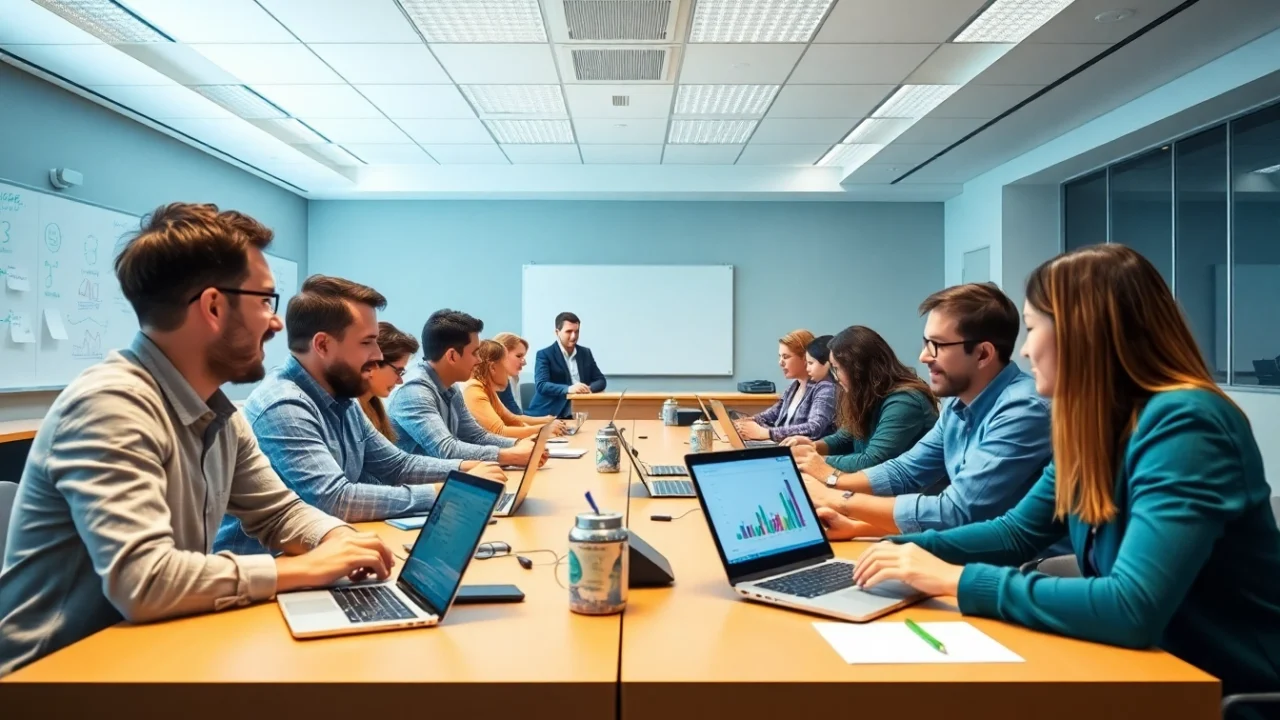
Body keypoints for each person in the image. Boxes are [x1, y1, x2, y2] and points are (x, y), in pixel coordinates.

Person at [845, 245, 1280, 700]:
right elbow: (1016, 534)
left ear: (1084, 335)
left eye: (1033, 329)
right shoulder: (1093, 424)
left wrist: (952, 579)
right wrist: (898, 550)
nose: (1028, 352)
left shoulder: (1187, 424)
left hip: (1226, 691)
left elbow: (1132, 607)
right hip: (1151, 668)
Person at [0, 203, 394, 677]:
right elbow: (145, 582)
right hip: (52, 680)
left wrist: (342, 540)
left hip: (147, 653)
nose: (275, 323)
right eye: (265, 302)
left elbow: (279, 512)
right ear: (212, 307)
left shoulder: (218, 411)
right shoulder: (111, 404)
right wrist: (305, 569)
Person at [215, 279, 504, 554]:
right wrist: (446, 492)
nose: (378, 354)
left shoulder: (340, 396)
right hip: (267, 571)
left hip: (323, 553)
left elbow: (397, 465)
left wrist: (468, 470)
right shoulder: (284, 404)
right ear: (323, 345)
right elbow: (335, 499)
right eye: (367, 342)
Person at [804, 283, 1053, 539]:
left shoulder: (1023, 408)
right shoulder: (958, 404)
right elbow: (906, 471)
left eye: (937, 345)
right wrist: (851, 515)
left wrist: (836, 497)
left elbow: (955, 511)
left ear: (982, 354)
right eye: (926, 343)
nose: (924, 356)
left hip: (1034, 568)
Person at [782, 326, 939, 481]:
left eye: (837, 369)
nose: (835, 377)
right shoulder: (870, 395)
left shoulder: (905, 401)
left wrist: (814, 461)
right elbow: (844, 439)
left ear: (858, 370)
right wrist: (811, 447)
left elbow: (872, 461)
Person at [388, 309, 541, 467]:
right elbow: (446, 450)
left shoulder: (450, 386)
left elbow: (477, 437)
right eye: (475, 353)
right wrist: (510, 456)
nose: (479, 360)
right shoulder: (414, 392)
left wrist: (517, 445)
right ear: (452, 356)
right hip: (416, 487)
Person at [735, 330, 837, 442]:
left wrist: (766, 433)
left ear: (804, 358)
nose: (780, 362)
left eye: (786, 357)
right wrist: (745, 423)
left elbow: (813, 428)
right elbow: (769, 416)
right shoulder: (793, 388)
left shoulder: (825, 388)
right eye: (780, 356)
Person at [463, 340, 564, 439]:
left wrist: (548, 422)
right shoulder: (474, 390)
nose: (507, 370)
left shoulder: (487, 388)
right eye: (505, 362)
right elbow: (499, 431)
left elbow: (512, 419)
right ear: (493, 368)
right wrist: (543, 429)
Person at [526, 312, 607, 419]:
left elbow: (601, 380)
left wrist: (587, 389)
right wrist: (569, 389)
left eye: (576, 331)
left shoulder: (585, 353)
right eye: (568, 332)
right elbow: (542, 385)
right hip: (551, 413)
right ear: (557, 332)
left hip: (580, 410)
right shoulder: (544, 354)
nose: (574, 336)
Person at [360, 321, 419, 443]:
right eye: (398, 371)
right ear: (373, 363)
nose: (400, 381)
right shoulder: (345, 414)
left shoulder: (375, 410)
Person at [492, 331, 553, 421]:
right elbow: (514, 418)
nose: (524, 362)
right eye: (519, 356)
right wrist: (544, 423)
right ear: (502, 354)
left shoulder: (511, 379)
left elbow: (516, 415)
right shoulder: (491, 383)